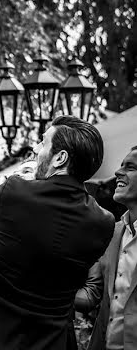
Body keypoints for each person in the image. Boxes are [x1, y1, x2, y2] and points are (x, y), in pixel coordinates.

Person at [0, 115, 116, 350]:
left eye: (43, 143)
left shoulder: (13, 190)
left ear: (60, 158)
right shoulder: (104, 222)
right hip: (51, 341)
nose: (36, 149)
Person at [76, 145, 137, 350]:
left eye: (130, 167)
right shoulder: (113, 232)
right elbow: (92, 294)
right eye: (121, 165)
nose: (118, 172)